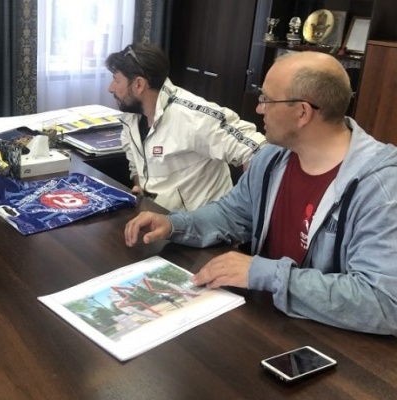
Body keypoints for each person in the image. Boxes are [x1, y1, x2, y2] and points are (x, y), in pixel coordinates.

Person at [124, 51, 397, 335]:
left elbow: (384, 303)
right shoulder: (272, 158)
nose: (258, 108)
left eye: (266, 99)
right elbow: (231, 214)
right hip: (270, 323)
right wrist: (174, 224)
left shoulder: (382, 188)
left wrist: (262, 273)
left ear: (302, 112)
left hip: (333, 342)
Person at [105, 43, 267, 211]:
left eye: (116, 80)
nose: (110, 88)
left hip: (201, 223)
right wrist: (141, 188)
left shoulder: (193, 117)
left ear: (139, 84)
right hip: (159, 216)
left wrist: (242, 207)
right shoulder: (131, 118)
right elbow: (136, 165)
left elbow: (259, 150)